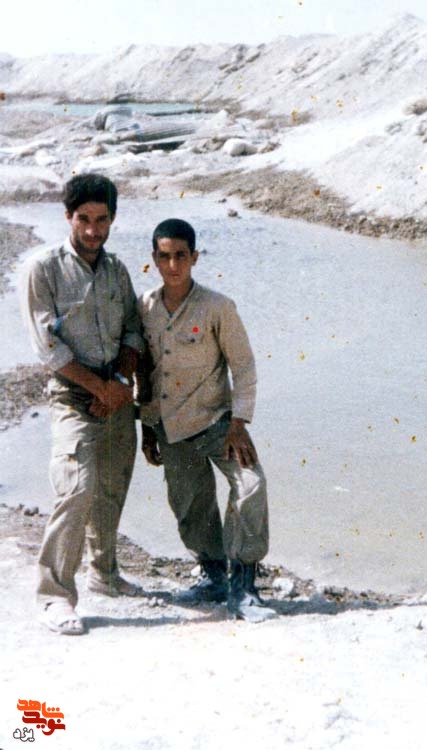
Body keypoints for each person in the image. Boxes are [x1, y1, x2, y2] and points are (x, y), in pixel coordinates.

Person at [20, 173, 144, 635]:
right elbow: (48, 348)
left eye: (102, 220)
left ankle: (104, 573)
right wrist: (98, 389)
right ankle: (54, 596)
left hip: (115, 389)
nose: (93, 230)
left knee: (112, 485)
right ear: (68, 217)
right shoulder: (43, 269)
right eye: (84, 219)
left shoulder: (117, 270)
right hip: (73, 393)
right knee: (76, 486)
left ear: (112, 219)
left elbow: (133, 330)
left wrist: (120, 382)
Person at [139, 218, 276, 623]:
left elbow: (244, 366)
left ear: (195, 257)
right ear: (154, 259)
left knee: (251, 485)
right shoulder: (144, 307)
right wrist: (146, 427)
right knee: (190, 504)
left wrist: (240, 422)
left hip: (218, 423)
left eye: (181, 255)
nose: (173, 265)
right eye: (165, 256)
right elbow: (146, 372)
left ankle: (244, 585)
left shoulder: (218, 307)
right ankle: (214, 576)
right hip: (170, 426)